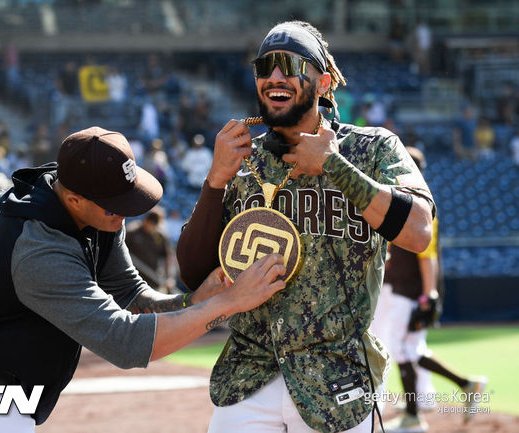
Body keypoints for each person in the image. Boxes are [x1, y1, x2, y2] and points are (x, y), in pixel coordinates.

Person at [0, 126, 287, 432]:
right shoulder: (39, 250)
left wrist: (195, 301)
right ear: (73, 200)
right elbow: (124, 341)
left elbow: (130, 295)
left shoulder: (89, 207)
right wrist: (231, 303)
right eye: (116, 206)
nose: (126, 213)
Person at [177, 20, 436, 433]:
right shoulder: (240, 156)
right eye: (265, 67)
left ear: (323, 82)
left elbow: (420, 230)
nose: (275, 76)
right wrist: (215, 180)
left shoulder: (371, 148)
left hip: (337, 381)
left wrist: (333, 165)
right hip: (248, 378)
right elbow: (192, 274)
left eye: (289, 65)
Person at [379, 147, 487, 433]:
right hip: (405, 288)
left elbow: (428, 258)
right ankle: (462, 386)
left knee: (403, 350)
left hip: (411, 292)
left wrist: (429, 295)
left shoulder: (419, 206)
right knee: (410, 349)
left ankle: (415, 416)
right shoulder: (406, 202)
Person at [126, 206, 176, 293]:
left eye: (153, 224)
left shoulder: (161, 236)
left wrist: (169, 278)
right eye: (148, 221)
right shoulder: (133, 231)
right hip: (132, 278)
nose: (149, 225)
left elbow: (168, 258)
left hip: (153, 280)